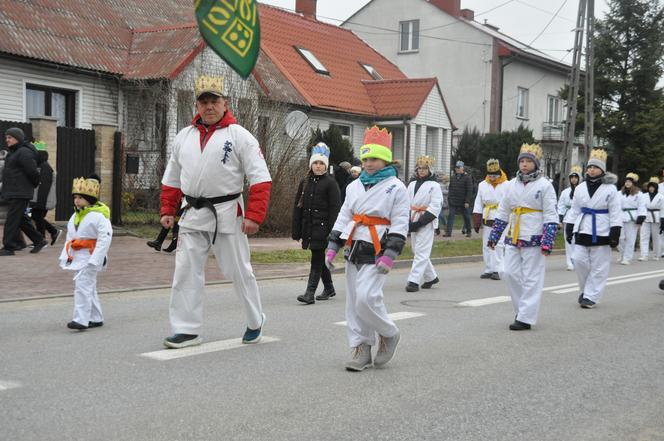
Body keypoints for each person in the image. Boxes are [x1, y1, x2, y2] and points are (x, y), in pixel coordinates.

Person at [159, 75, 272, 349]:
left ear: (225, 103)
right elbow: (172, 178)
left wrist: (254, 216)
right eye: (203, 102)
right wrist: (167, 209)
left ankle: (255, 320)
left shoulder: (240, 136)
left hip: (227, 211)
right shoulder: (184, 137)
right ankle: (187, 329)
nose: (209, 107)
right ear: (196, 106)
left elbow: (260, 178)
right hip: (191, 212)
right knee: (185, 271)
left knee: (238, 270)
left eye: (214, 101)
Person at [325, 126, 408, 371]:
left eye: (374, 159)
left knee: (366, 298)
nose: (369, 163)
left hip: (378, 248)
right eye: (365, 159)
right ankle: (361, 347)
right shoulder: (353, 186)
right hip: (354, 246)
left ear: (385, 159)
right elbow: (344, 216)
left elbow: (401, 221)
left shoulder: (396, 187)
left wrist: (391, 253)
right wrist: (333, 245)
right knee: (353, 302)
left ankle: (389, 333)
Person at [487, 144, 558, 331]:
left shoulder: (545, 185)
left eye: (528, 161)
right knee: (509, 273)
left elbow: (551, 214)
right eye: (522, 161)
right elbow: (503, 211)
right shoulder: (511, 185)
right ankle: (521, 309)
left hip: (534, 236)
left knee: (532, 277)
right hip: (513, 235)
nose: (525, 165)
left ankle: (526, 317)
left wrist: (548, 239)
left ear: (535, 164)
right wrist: (494, 235)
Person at [565, 149, 621, 309]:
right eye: (589, 167)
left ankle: (591, 296)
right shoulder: (581, 187)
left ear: (602, 170)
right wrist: (569, 227)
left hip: (602, 230)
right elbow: (575, 209)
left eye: (595, 167)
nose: (591, 170)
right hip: (583, 228)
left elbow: (615, 212)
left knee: (599, 266)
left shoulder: (610, 189)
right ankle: (585, 291)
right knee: (579, 261)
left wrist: (615, 232)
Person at [59, 174, 112, 330]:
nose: (77, 201)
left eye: (81, 198)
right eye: (75, 197)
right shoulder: (75, 217)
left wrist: (96, 258)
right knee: (89, 286)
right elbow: (70, 239)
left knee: (82, 286)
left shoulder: (100, 217)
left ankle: (81, 319)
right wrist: (67, 256)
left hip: (91, 256)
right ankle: (96, 317)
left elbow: (105, 239)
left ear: (90, 199)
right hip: (79, 256)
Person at [292, 142, 341, 304]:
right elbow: (298, 206)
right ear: (311, 164)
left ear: (326, 165)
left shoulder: (331, 183)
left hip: (323, 228)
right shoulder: (305, 182)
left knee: (317, 258)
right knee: (318, 256)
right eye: (315, 163)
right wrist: (296, 229)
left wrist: (333, 231)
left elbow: (335, 209)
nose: (318, 166)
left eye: (321, 163)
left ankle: (309, 293)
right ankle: (329, 288)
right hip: (309, 227)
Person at [0, 127, 47, 256]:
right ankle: (39, 240)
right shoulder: (14, 152)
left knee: (12, 220)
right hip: (14, 191)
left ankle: (9, 247)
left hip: (20, 192)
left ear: (18, 138)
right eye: (6, 137)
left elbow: (32, 171)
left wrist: (33, 184)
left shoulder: (24, 152)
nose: (7, 140)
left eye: (10, 137)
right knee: (20, 219)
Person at [406, 155, 443, 292]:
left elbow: (435, 207)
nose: (421, 171)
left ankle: (413, 281)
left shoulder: (434, 186)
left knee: (421, 251)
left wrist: (420, 222)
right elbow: (406, 202)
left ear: (430, 170)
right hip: (413, 217)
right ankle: (430, 277)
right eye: (419, 168)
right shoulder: (411, 184)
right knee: (416, 250)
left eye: (424, 168)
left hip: (426, 221)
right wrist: (408, 220)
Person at [472, 158, 508, 280]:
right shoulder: (482, 185)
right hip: (487, 217)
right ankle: (489, 268)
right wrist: (477, 219)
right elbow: (478, 202)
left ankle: (499, 269)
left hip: (501, 217)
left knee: (498, 244)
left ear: (499, 174)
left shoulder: (506, 185)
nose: (492, 178)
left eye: (495, 175)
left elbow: (510, 202)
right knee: (486, 244)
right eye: (490, 175)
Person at [30, 149, 60, 245]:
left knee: (37, 217)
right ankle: (52, 232)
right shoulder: (42, 166)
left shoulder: (45, 168)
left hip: (43, 200)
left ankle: (41, 239)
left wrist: (39, 202)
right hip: (41, 200)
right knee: (38, 217)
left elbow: (44, 187)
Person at [557, 166, 582, 271]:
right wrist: (560, 219)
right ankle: (569, 262)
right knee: (568, 240)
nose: (574, 179)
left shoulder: (582, 191)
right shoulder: (565, 192)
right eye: (572, 177)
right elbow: (561, 206)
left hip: (579, 218)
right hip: (568, 218)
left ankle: (576, 260)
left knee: (577, 240)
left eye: (576, 177)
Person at [618, 172, 645, 265]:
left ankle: (627, 257)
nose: (627, 183)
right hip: (620, 216)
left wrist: (640, 218)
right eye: (626, 181)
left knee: (630, 238)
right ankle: (622, 254)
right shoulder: (619, 193)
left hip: (632, 217)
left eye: (629, 182)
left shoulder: (639, 194)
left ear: (633, 183)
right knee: (620, 238)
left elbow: (642, 206)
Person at [638, 177, 664, 262]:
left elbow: (663, 208)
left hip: (657, 218)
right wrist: (640, 217)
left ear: (656, 188)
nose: (651, 188)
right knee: (644, 236)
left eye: (653, 187)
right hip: (646, 216)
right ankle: (644, 255)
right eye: (650, 187)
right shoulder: (644, 196)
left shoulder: (661, 197)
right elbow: (641, 207)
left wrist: (663, 219)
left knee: (656, 237)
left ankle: (656, 254)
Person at [445, 160, 473, 237]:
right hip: (453, 201)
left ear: (462, 168)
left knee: (466, 216)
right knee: (451, 216)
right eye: (456, 168)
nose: (457, 169)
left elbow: (469, 190)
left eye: (459, 167)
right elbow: (450, 188)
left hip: (463, 201)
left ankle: (469, 231)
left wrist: (467, 201)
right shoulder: (453, 177)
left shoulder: (467, 178)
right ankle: (448, 232)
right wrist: (449, 198)